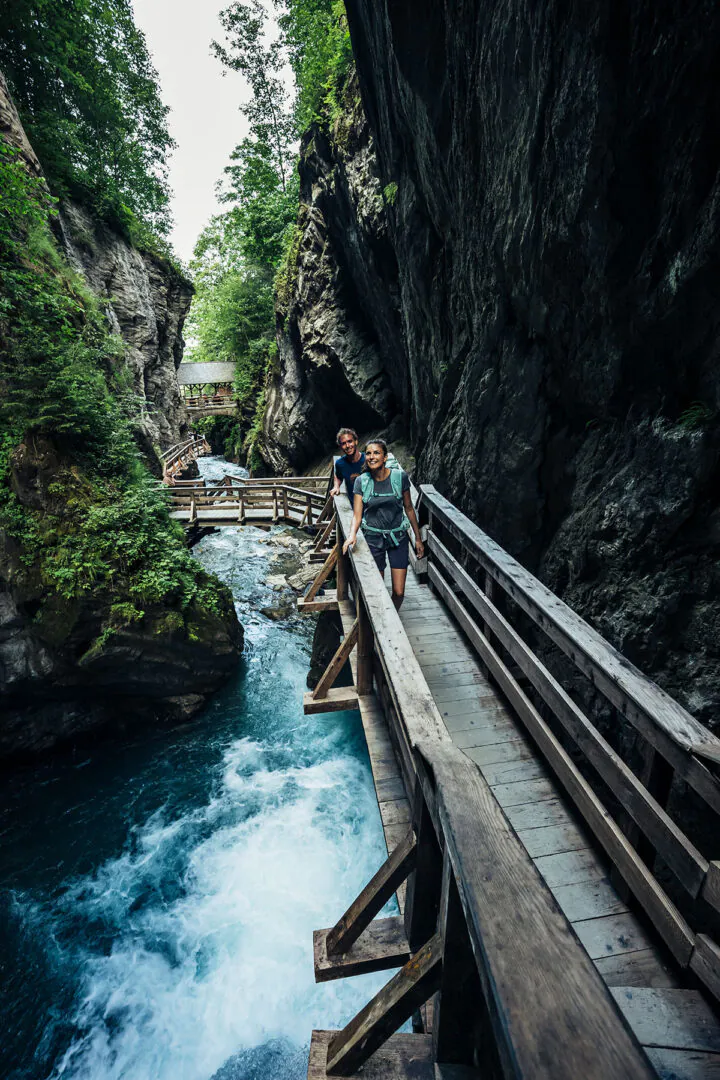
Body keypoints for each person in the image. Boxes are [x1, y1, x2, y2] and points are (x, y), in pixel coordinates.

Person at [342, 439, 424, 610]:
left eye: (376, 453)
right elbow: (357, 515)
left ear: (385, 457)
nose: (372, 457)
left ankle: (392, 616)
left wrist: (417, 539)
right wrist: (351, 535)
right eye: (368, 453)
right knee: (378, 591)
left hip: (398, 537)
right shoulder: (361, 481)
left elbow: (409, 508)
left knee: (399, 593)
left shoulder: (399, 477)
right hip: (373, 538)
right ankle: (382, 620)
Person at [332, 428, 366, 501]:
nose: (347, 445)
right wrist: (336, 486)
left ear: (356, 441)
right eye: (343, 443)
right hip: (354, 504)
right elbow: (338, 476)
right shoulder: (340, 464)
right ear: (340, 446)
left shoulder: (368, 459)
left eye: (350, 441)